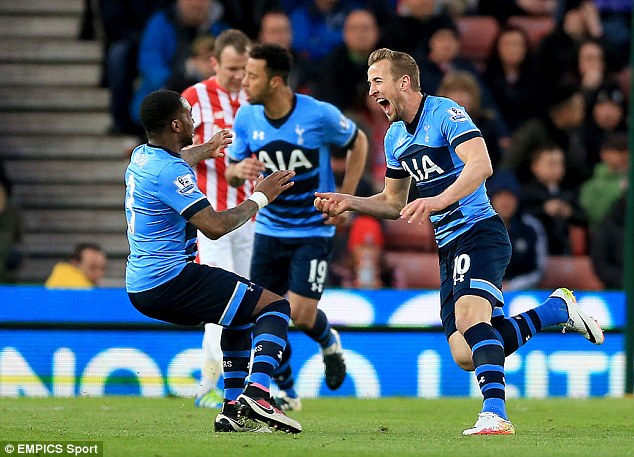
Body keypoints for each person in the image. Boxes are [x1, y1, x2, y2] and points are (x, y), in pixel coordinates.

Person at [314, 48, 604, 435]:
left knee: (470, 320)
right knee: (465, 353)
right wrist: (349, 201)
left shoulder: (445, 112)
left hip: (480, 231)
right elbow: (392, 203)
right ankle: (555, 311)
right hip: (449, 246)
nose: (371, 92)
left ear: (404, 82)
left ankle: (495, 413)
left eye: (378, 82)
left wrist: (438, 199)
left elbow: (481, 165)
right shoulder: (395, 138)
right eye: (369, 84)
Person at [125, 89, 301, 434]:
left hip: (144, 283)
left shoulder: (141, 156)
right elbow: (215, 227)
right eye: (189, 116)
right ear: (176, 124)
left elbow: (177, 157)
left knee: (237, 318)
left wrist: (206, 149)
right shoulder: (171, 174)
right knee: (275, 307)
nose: (194, 120)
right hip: (170, 279)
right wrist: (261, 197)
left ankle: (232, 411)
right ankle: (259, 393)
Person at [225, 44, 369, 411]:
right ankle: (285, 389)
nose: (244, 81)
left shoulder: (317, 115)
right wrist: (238, 171)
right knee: (263, 312)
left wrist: (345, 199)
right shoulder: (246, 118)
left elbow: (359, 142)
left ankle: (328, 340)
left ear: (275, 81)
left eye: (252, 75)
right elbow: (231, 168)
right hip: (270, 228)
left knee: (300, 316)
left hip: (312, 230)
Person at [180, 29, 254, 410]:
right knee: (223, 299)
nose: (239, 77)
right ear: (213, 63)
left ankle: (238, 386)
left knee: (248, 302)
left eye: (244, 69)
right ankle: (213, 384)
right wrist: (212, 152)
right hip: (210, 218)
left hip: (251, 217)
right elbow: (173, 151)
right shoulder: (192, 99)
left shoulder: (255, 99)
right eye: (231, 69)